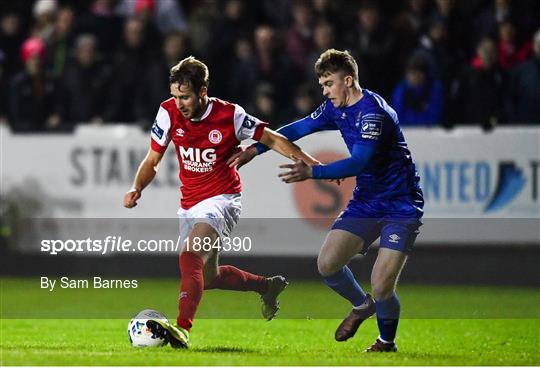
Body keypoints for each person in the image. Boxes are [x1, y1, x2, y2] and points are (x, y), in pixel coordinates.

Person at [228, 49, 424, 352]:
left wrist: (313, 172)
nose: (324, 91)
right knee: (328, 264)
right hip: (367, 201)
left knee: (382, 284)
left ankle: (386, 343)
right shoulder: (336, 107)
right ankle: (361, 305)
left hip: (401, 204)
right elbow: (298, 128)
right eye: (321, 84)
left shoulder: (372, 113)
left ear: (348, 80)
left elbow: (358, 163)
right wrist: (255, 149)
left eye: (328, 84)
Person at [123, 56, 319, 348]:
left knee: (190, 257)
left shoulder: (230, 114)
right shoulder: (167, 112)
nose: (180, 103)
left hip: (222, 199)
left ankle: (182, 328)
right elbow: (153, 159)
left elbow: (274, 139)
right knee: (209, 276)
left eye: (186, 97)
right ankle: (267, 286)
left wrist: (312, 164)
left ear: (203, 92)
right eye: (176, 96)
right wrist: (137, 187)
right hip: (189, 204)